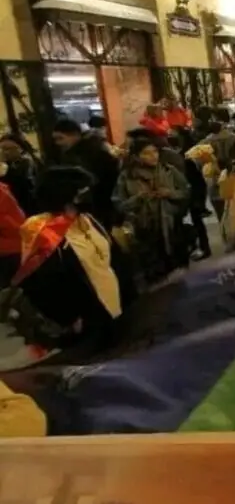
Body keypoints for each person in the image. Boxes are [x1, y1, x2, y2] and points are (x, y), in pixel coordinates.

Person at [5, 167, 124, 358]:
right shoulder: (42, 230)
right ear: (66, 195)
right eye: (83, 191)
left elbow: (111, 257)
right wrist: (68, 317)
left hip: (112, 302)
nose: (89, 194)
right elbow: (42, 282)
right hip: (83, 318)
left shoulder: (87, 219)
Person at [113, 138, 191, 285]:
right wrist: (138, 198)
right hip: (144, 230)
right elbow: (119, 204)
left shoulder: (168, 170)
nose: (153, 156)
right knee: (154, 275)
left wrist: (169, 193)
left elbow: (186, 192)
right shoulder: (127, 177)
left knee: (177, 272)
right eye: (147, 153)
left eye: (155, 151)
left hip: (171, 227)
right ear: (136, 156)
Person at [52, 118, 121, 228]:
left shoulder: (92, 151)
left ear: (75, 135)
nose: (58, 143)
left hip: (99, 204)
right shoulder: (71, 153)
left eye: (61, 138)